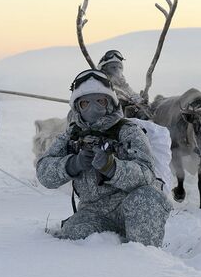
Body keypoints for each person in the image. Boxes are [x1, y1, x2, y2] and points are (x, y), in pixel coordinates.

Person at [36, 69, 171, 247]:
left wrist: (113, 168)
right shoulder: (71, 135)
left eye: (100, 101)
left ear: (110, 103)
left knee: (148, 197)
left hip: (130, 206)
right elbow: (44, 172)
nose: (93, 108)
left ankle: (143, 261)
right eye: (85, 103)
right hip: (93, 212)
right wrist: (72, 164)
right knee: (72, 239)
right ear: (77, 107)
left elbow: (146, 174)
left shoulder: (128, 131)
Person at [97, 50, 151, 119]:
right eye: (113, 67)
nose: (117, 70)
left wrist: (143, 101)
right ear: (104, 69)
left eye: (119, 67)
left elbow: (135, 97)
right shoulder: (101, 86)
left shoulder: (124, 86)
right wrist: (124, 107)